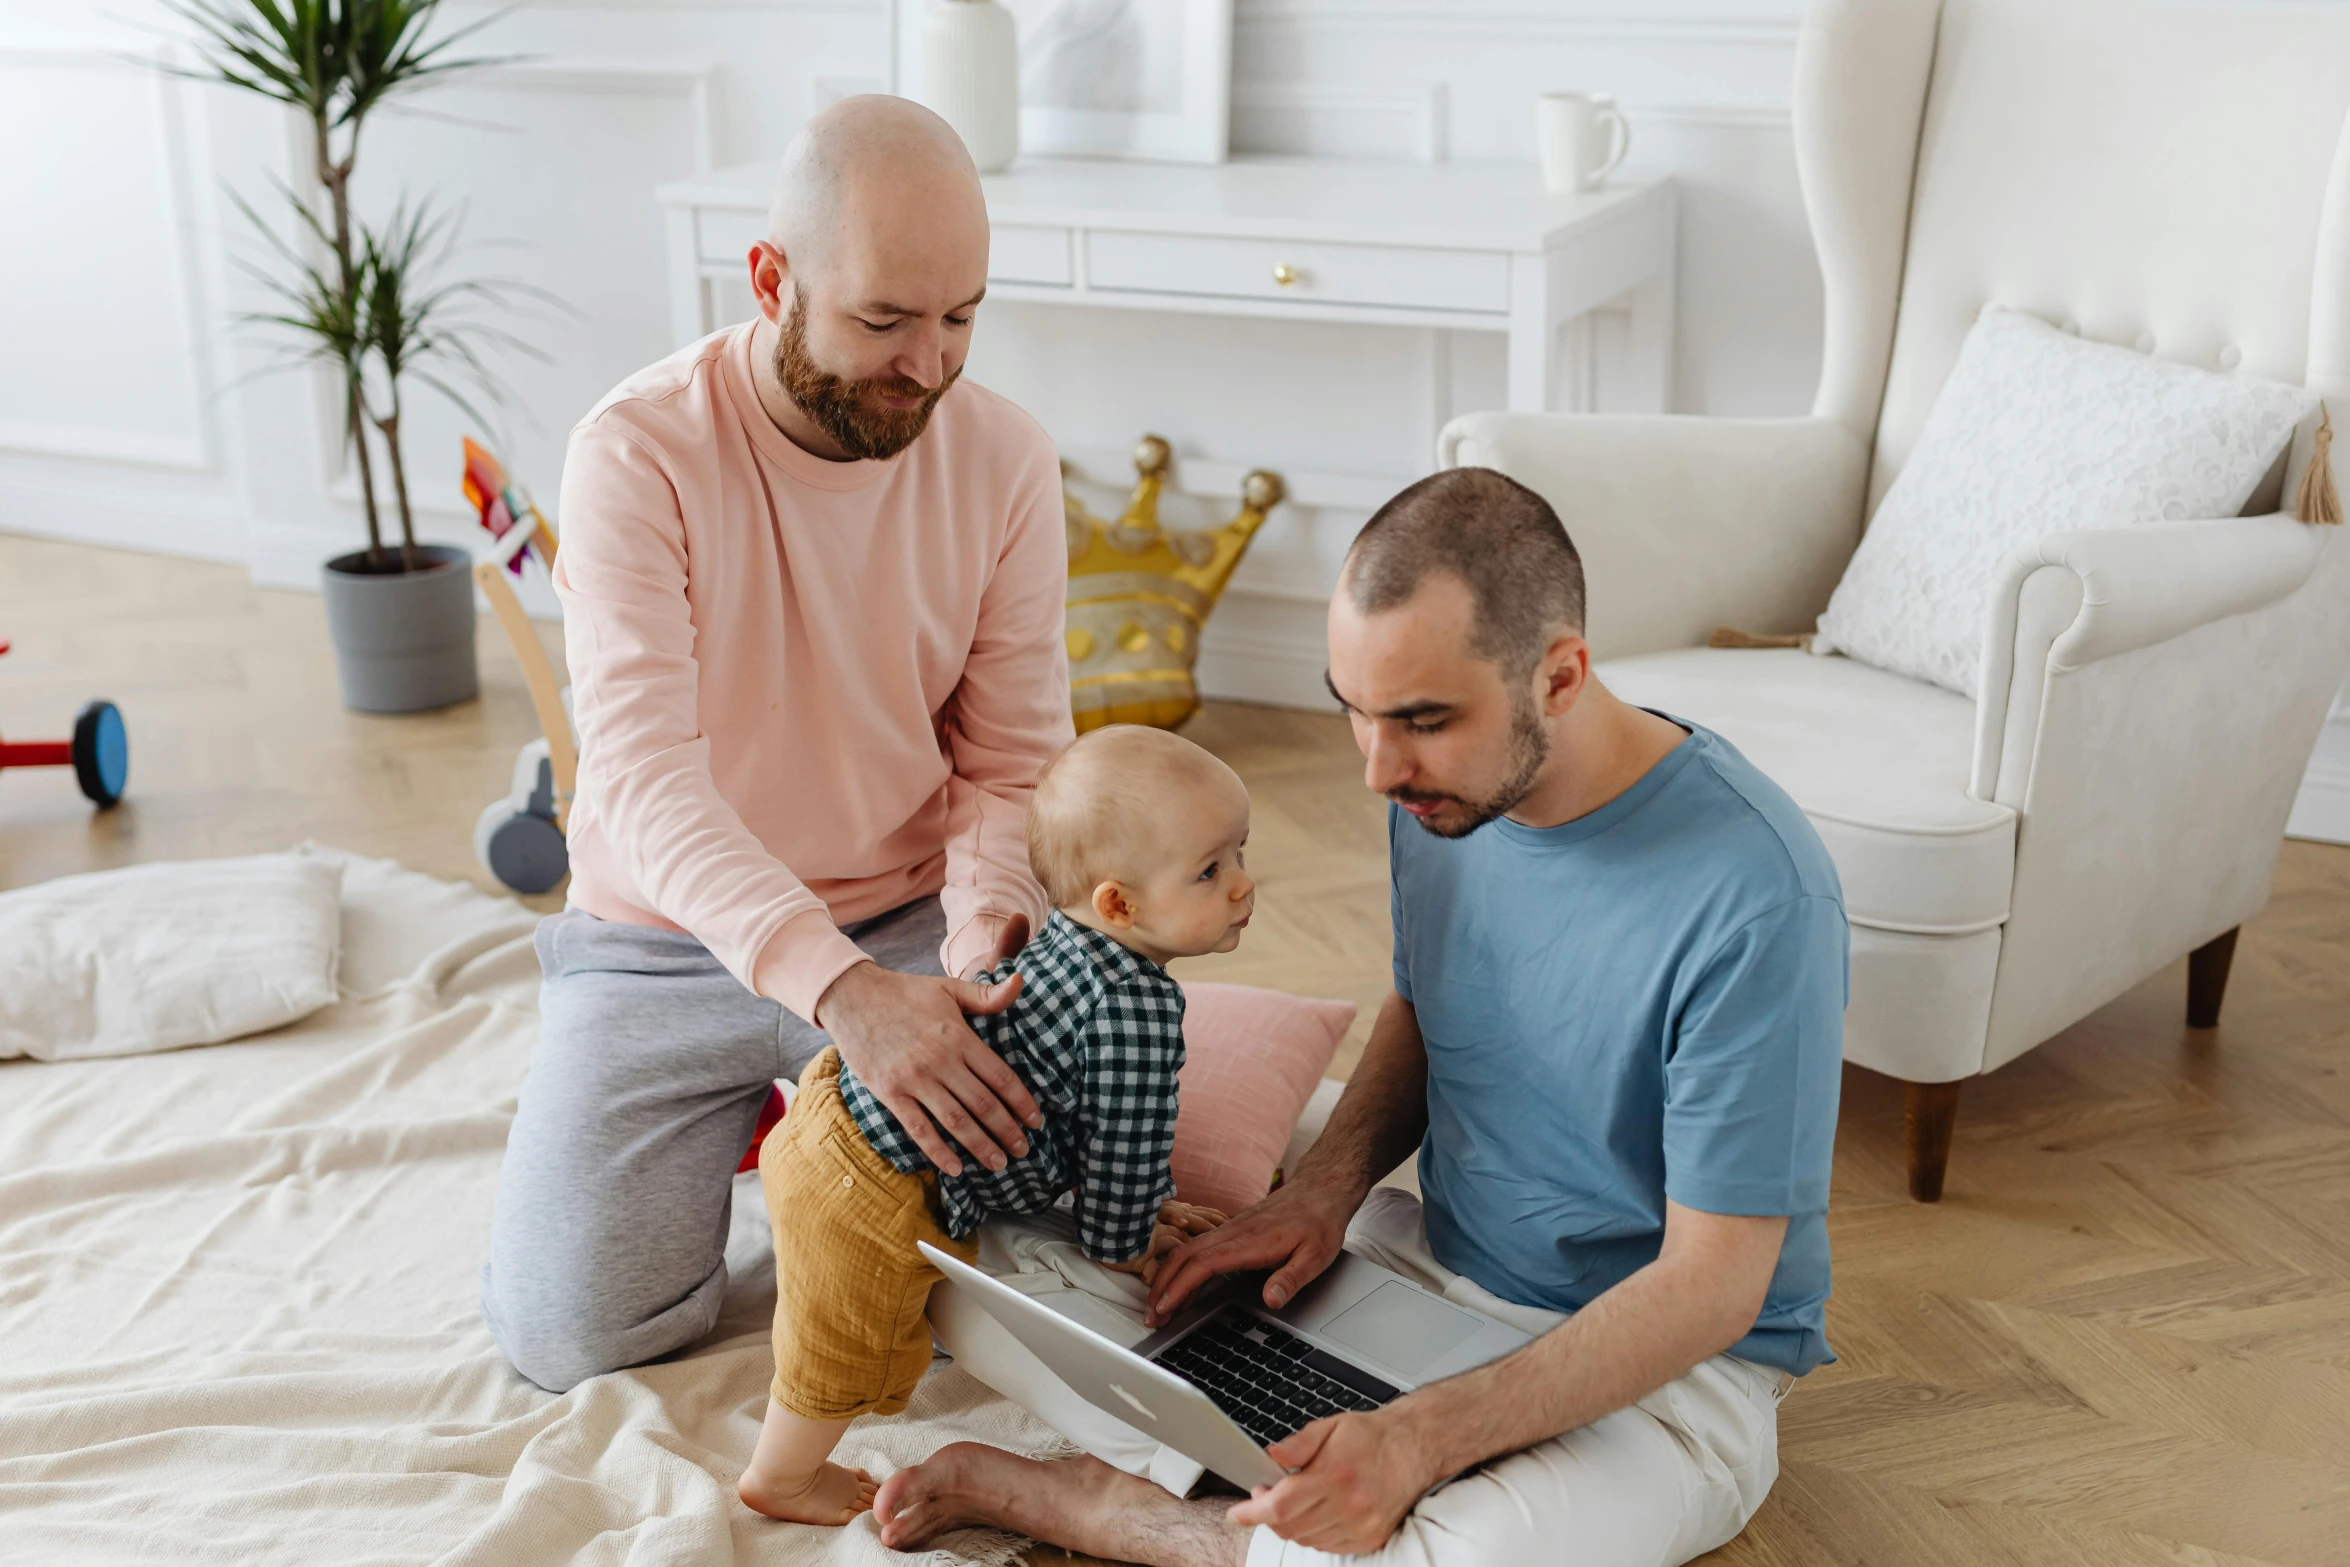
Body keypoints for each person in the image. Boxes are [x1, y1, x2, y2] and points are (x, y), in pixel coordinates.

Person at [872, 466, 1849, 1566]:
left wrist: (1419, 1439)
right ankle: (1244, 1471)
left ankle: (1100, 1505)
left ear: (1561, 676)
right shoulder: (1438, 792)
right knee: (949, 1256)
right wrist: (1326, 1192)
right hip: (1417, 1258)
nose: (1380, 769)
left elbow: (1714, 1285)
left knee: (1451, 1556)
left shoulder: (1758, 895)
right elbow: (1430, 1007)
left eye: (1423, 720)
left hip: (1660, 1372)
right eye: (1355, 712)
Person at [479, 95, 1077, 1393]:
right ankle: (780, 1113)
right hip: (663, 943)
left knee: (1053, 1275)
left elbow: (1009, 762)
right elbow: (639, 778)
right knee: (566, 1331)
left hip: (907, 921)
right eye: (882, 321)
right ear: (770, 281)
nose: (928, 363)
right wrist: (842, 1001)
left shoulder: (1008, 460)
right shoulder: (636, 454)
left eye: (961, 317)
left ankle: (807, 1120)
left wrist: (978, 938)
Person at [738, 724, 1250, 1524]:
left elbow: (1073, 1105)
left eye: (1240, 855)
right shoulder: (1141, 1007)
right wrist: (1130, 1238)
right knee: (839, 1341)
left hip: (829, 1101)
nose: (1244, 886)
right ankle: (782, 1477)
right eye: (1212, 870)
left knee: (826, 1299)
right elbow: (1125, 1147)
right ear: (1120, 901)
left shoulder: (1066, 936)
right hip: (873, 1183)